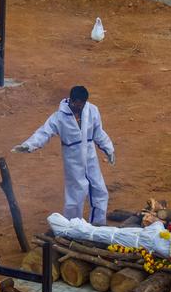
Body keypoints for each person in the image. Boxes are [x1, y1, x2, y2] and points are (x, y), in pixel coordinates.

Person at [12, 85, 115, 224]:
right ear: (70, 100)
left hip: (90, 157)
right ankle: (72, 227)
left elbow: (98, 132)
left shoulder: (92, 111)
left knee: (100, 190)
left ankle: (98, 224)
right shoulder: (59, 117)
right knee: (76, 194)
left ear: (85, 102)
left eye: (81, 105)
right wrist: (28, 145)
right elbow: (44, 133)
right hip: (73, 160)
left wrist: (109, 149)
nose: (77, 108)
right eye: (75, 104)